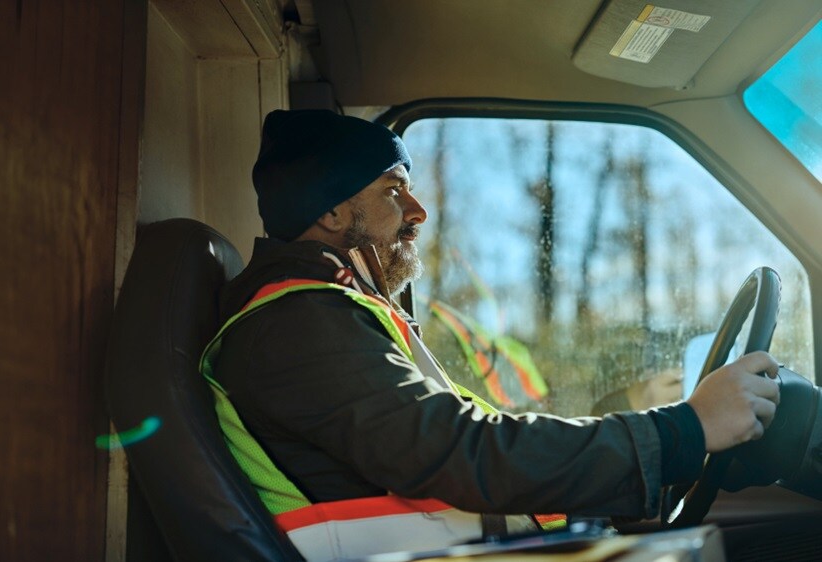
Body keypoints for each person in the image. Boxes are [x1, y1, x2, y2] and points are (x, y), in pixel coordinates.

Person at [201, 109, 780, 561]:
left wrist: (668, 443)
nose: (418, 210)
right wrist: (681, 429)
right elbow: (462, 453)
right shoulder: (298, 322)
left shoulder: (329, 311)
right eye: (392, 190)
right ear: (329, 213)